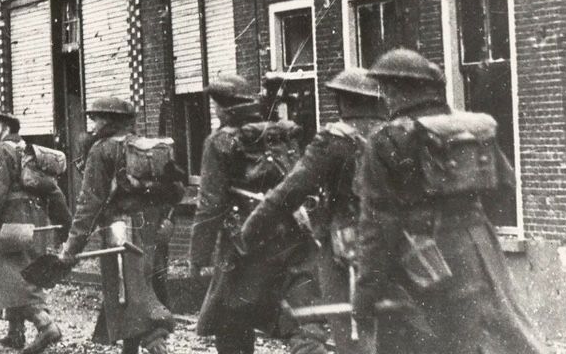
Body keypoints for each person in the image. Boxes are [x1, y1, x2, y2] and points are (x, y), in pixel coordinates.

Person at [352, 48, 546, 354]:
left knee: (429, 341)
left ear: (396, 90)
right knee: (503, 333)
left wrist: (364, 294)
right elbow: (505, 186)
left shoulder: (386, 139)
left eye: (386, 89)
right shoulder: (470, 127)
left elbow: (377, 226)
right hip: (481, 249)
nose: (385, 97)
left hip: (425, 260)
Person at [242, 68, 387, 354]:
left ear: (343, 101)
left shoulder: (335, 140)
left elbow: (290, 191)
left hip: (348, 250)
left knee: (352, 333)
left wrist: (251, 228)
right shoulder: (397, 134)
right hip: (399, 246)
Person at [190, 74, 324, 354]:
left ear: (223, 108)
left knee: (230, 321)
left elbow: (210, 206)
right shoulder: (280, 134)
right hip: (289, 235)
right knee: (297, 317)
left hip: (243, 243)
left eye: (216, 106)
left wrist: (199, 256)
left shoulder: (219, 142)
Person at [57, 97, 185, 354]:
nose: (93, 124)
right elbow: (178, 189)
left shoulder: (101, 150)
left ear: (110, 121)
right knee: (142, 288)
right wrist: (169, 219)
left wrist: (71, 247)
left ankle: (155, 344)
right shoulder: (148, 148)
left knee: (129, 292)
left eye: (98, 118)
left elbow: (88, 204)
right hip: (154, 228)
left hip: (121, 230)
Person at [0, 111, 65, 353]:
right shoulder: (27, 151)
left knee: (16, 274)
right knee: (8, 270)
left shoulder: (0, 151)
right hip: (35, 220)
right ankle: (15, 334)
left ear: (5, 127)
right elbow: (53, 191)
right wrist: (65, 224)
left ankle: (46, 325)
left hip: (12, 219)